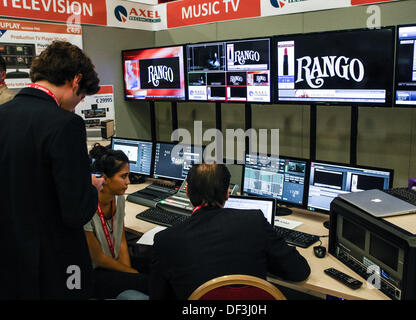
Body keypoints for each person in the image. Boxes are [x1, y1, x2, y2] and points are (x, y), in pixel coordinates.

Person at [0, 40, 103, 299]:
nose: (77, 105)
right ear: (76, 81)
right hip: (56, 266)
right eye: (80, 97)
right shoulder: (66, 124)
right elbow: (76, 212)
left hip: (10, 260)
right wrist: (92, 188)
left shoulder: (4, 114)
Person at [148, 163, 311, 300]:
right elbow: (299, 272)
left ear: (187, 191)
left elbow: (158, 295)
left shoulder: (165, 240)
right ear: (228, 193)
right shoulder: (254, 221)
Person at [84, 144, 149, 299]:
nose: (128, 182)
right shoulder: (86, 207)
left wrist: (128, 274)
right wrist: (131, 275)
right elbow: (97, 258)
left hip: (113, 263)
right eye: (123, 176)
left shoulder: (119, 199)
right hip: (94, 272)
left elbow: (121, 241)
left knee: (158, 268)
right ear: (105, 178)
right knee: (147, 282)